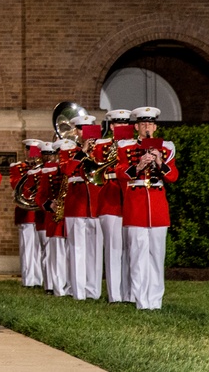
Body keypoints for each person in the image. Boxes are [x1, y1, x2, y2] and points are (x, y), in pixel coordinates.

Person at [117, 106, 178, 310]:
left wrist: (159, 161)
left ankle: (156, 301)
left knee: (156, 255)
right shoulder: (126, 147)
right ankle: (141, 301)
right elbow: (120, 173)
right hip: (136, 206)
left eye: (150, 123)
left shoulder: (167, 148)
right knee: (137, 256)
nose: (147, 127)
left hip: (158, 207)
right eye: (143, 124)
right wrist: (139, 165)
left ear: (155, 126)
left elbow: (173, 176)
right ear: (136, 127)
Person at [62, 116, 104, 300]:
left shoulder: (102, 148)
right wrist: (82, 152)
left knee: (95, 249)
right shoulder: (67, 149)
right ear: (75, 132)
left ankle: (93, 291)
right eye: (80, 129)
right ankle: (78, 292)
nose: (83, 133)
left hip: (95, 202)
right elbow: (66, 170)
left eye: (87, 129)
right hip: (76, 203)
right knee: (77, 248)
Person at [97, 109, 133, 303]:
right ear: (111, 126)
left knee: (131, 248)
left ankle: (130, 292)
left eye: (125, 124)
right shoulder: (102, 145)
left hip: (130, 199)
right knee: (113, 249)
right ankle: (115, 295)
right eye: (117, 124)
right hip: (110, 200)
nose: (121, 128)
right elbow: (96, 165)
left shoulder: (136, 146)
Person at [36, 139, 71, 297]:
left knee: (73, 254)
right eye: (61, 153)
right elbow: (40, 196)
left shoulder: (75, 168)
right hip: (56, 217)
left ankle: (72, 287)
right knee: (56, 254)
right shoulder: (49, 171)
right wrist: (50, 204)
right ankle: (57, 288)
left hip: (72, 216)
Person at [11, 140, 44, 288]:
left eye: (36, 152)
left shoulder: (43, 168)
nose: (33, 155)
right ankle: (29, 280)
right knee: (28, 248)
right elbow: (18, 186)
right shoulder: (18, 167)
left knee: (41, 248)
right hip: (26, 213)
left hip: (41, 213)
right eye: (30, 151)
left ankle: (40, 279)